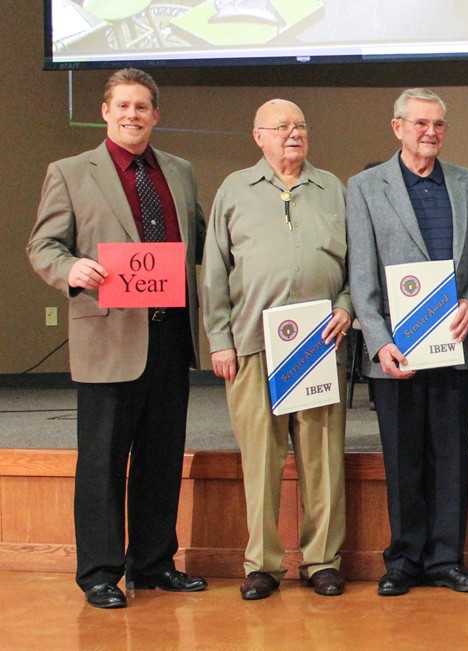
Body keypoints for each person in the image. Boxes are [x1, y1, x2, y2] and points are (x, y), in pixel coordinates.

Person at [26, 68, 207, 609]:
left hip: (170, 336)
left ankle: (153, 564)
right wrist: (70, 269)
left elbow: (200, 240)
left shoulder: (180, 171)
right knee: (102, 463)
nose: (132, 115)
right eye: (123, 106)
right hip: (108, 340)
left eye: (141, 107)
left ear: (155, 115)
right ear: (105, 111)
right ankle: (100, 573)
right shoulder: (69, 172)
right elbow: (43, 246)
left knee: (161, 458)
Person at [347, 88, 468, 596]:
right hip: (397, 350)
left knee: (451, 457)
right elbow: (361, 275)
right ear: (398, 127)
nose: (430, 132)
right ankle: (404, 561)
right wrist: (378, 342)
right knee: (402, 458)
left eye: (438, 124)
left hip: (454, 343)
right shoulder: (365, 187)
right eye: (420, 123)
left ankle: (447, 560)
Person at [203, 99, 351, 601]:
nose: (294, 134)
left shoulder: (331, 188)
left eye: (301, 125)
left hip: (318, 344)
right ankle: (262, 565)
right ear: (258, 136)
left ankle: (322, 561)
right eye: (282, 126)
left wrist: (346, 307)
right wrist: (219, 341)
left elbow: (356, 265)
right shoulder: (234, 190)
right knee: (261, 461)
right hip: (251, 344)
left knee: (322, 459)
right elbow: (214, 272)